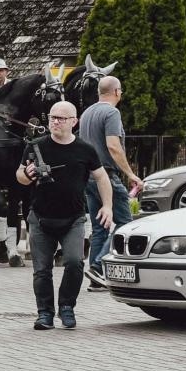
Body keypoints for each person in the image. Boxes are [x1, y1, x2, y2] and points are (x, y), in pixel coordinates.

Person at [18, 101, 114, 330]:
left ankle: (67, 307)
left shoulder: (85, 149)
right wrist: (27, 174)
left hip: (73, 219)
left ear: (74, 121)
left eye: (61, 118)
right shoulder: (35, 146)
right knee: (42, 270)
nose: (55, 122)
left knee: (74, 262)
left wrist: (107, 206)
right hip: (40, 218)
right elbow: (19, 175)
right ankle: (44, 314)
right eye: (52, 117)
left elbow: (101, 177)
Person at [78, 76, 143, 286]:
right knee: (124, 223)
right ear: (117, 92)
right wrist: (130, 174)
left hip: (87, 176)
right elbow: (113, 146)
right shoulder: (111, 112)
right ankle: (98, 265)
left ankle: (95, 279)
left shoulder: (87, 113)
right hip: (106, 176)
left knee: (99, 227)